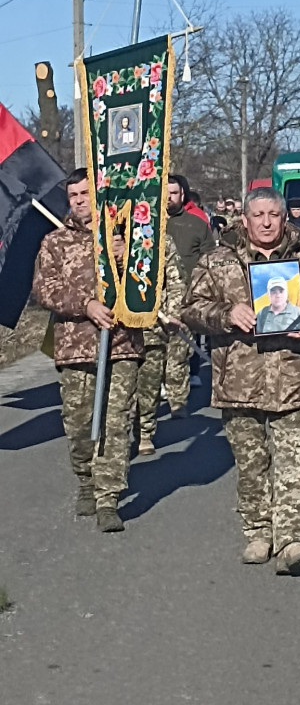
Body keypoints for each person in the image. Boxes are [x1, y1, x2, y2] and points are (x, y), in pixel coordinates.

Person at [182, 187, 300, 573]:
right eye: (257, 215)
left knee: (293, 461)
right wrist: (227, 314)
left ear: (284, 217)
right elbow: (190, 309)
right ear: (244, 220)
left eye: (273, 215)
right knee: (251, 462)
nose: (266, 222)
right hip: (239, 381)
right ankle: (259, 531)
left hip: (295, 376)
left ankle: (293, 542)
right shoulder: (218, 262)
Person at [33, 169, 144, 532]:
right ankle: (85, 479)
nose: (80, 200)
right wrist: (86, 304)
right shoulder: (55, 242)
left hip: (122, 343)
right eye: (74, 195)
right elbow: (45, 290)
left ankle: (108, 497)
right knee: (80, 424)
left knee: (116, 422)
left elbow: (148, 285)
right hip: (75, 347)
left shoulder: (124, 236)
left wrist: (127, 257)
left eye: (86, 193)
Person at [166, 174, 216, 415]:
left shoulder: (196, 225)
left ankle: (178, 400)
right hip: (152, 299)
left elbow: (210, 260)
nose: (168, 198)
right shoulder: (144, 226)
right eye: (164, 193)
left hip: (185, 295)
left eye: (173, 193)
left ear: (182, 195)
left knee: (180, 349)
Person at [135, 234, 187, 455]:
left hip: (153, 323)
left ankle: (145, 431)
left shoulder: (157, 237)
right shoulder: (104, 235)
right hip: (114, 327)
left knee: (149, 382)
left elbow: (175, 278)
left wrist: (174, 313)